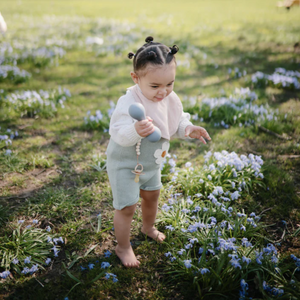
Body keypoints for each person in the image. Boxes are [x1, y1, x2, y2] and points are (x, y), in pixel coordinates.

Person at [106, 36, 211, 268]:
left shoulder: (169, 97)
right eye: (155, 86)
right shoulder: (128, 101)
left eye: (170, 84)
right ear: (136, 78)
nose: (163, 92)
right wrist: (136, 129)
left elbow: (176, 119)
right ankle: (122, 247)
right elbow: (118, 134)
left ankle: (148, 227)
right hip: (126, 163)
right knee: (127, 207)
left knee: (152, 195)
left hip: (152, 163)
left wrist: (188, 128)